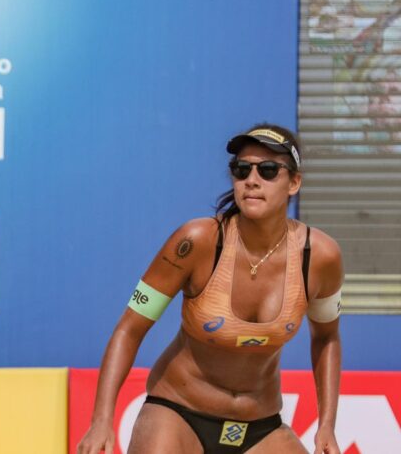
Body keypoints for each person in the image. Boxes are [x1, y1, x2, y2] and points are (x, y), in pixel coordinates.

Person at [77, 125, 343, 454]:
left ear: (294, 183)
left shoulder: (320, 256)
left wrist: (327, 425)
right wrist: (101, 419)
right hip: (178, 413)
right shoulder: (197, 241)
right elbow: (129, 329)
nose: (252, 180)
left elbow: (327, 337)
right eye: (242, 169)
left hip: (260, 427)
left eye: (269, 170)